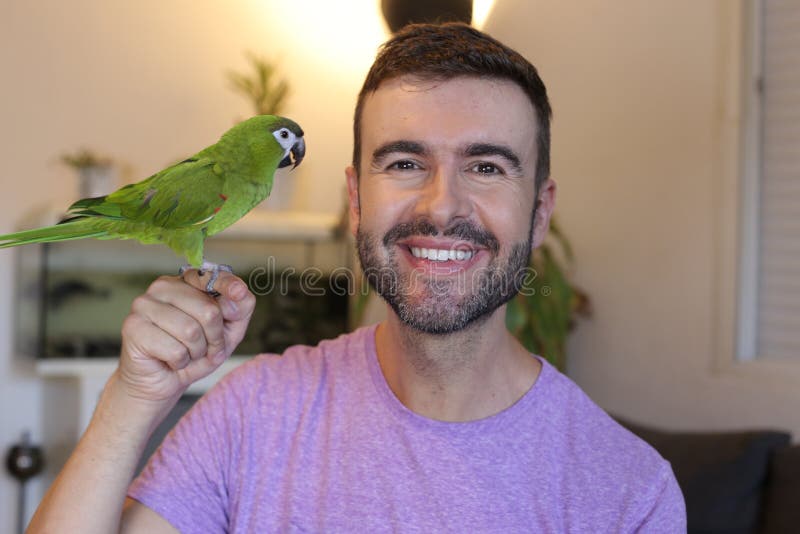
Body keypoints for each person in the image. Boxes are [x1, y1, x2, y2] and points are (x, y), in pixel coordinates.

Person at [29, 23, 685, 533]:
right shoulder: (253, 412)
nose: (441, 206)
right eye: (405, 163)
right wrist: (133, 396)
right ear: (355, 200)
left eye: (486, 167)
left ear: (540, 212)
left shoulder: (631, 496)